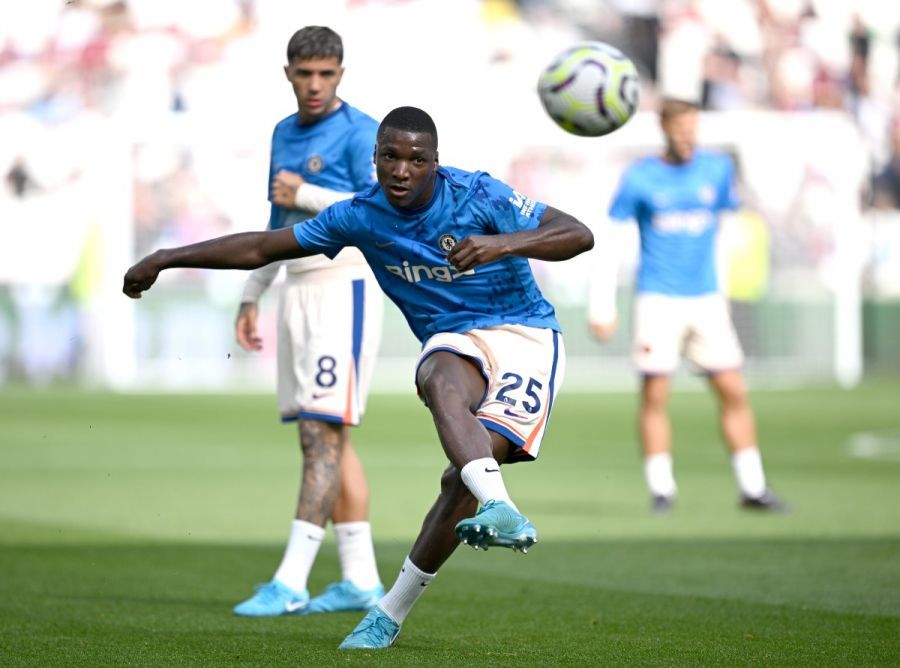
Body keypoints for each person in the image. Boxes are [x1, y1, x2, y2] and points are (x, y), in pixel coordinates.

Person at [124, 106, 594, 649]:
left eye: (416, 160)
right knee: (439, 378)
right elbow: (260, 247)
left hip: (526, 335)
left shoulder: (478, 195)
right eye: (390, 157)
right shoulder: (360, 215)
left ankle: (390, 610)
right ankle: (499, 509)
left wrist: (504, 243)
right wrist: (164, 256)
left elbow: (576, 233)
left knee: (458, 481)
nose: (401, 170)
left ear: (435, 164)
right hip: (453, 336)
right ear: (374, 159)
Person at [231, 26, 386, 618]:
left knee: (319, 436)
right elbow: (278, 215)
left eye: (326, 74)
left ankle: (292, 580)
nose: (315, 84)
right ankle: (360, 580)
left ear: (341, 74)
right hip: (295, 289)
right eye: (305, 74)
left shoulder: (359, 132)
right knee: (329, 437)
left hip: (342, 286)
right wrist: (253, 289)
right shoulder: (282, 132)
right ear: (289, 73)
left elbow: (375, 211)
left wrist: (307, 190)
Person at [588, 97, 786, 514]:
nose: (687, 137)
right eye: (680, 129)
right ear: (664, 129)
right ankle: (662, 489)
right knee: (656, 392)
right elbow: (612, 237)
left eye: (693, 128)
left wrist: (724, 291)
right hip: (657, 299)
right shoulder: (641, 177)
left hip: (706, 299)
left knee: (732, 388)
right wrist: (602, 302)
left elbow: (726, 228)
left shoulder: (716, 170)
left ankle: (753, 486)